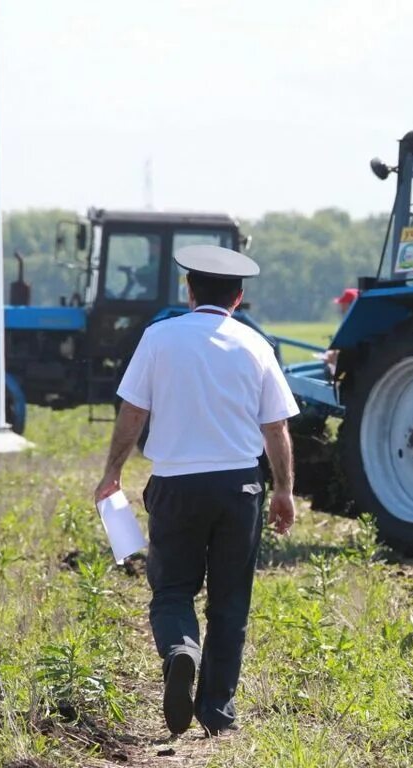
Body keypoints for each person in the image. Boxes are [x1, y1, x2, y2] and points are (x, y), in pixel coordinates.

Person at [93, 244, 299, 737]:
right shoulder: (255, 346)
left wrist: (112, 473)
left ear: (189, 290)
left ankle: (181, 648)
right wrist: (284, 490)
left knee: (172, 591)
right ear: (239, 297)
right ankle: (217, 713)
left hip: (176, 485)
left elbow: (133, 414)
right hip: (240, 486)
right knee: (230, 603)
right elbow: (276, 429)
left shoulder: (158, 338)